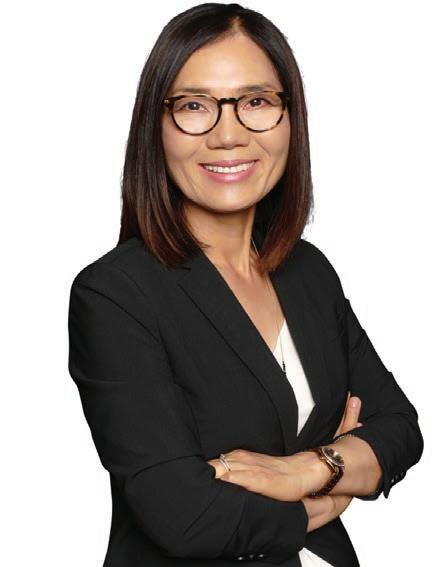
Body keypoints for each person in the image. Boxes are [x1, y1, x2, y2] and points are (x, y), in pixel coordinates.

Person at [67, 3, 424, 566]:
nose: (228, 135)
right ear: (156, 127)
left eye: (256, 102)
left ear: (290, 117)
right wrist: (332, 489)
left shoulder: (308, 271)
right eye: (194, 106)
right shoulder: (115, 294)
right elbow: (184, 514)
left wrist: (305, 469)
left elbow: (400, 429)